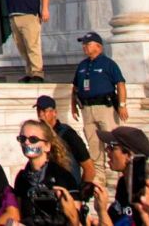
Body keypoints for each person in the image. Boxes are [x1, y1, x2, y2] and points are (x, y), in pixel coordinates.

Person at [70, 32, 127, 165]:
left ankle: (120, 172)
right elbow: (75, 88)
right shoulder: (82, 65)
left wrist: (122, 105)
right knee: (94, 146)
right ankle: (99, 180)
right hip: (87, 109)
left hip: (105, 108)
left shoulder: (108, 63)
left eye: (88, 44)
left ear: (99, 47)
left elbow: (120, 84)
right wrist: (73, 106)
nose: (85, 47)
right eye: (83, 44)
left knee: (113, 143)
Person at [12, 119, 79, 226]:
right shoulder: (22, 178)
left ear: (47, 146)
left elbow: (76, 221)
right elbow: (21, 215)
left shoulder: (62, 176)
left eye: (33, 139)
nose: (26, 142)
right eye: (22, 139)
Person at [35, 95, 93, 187]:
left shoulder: (68, 134)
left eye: (44, 111)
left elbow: (89, 167)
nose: (40, 115)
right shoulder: (38, 135)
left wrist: (82, 191)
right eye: (38, 111)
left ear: (54, 113)